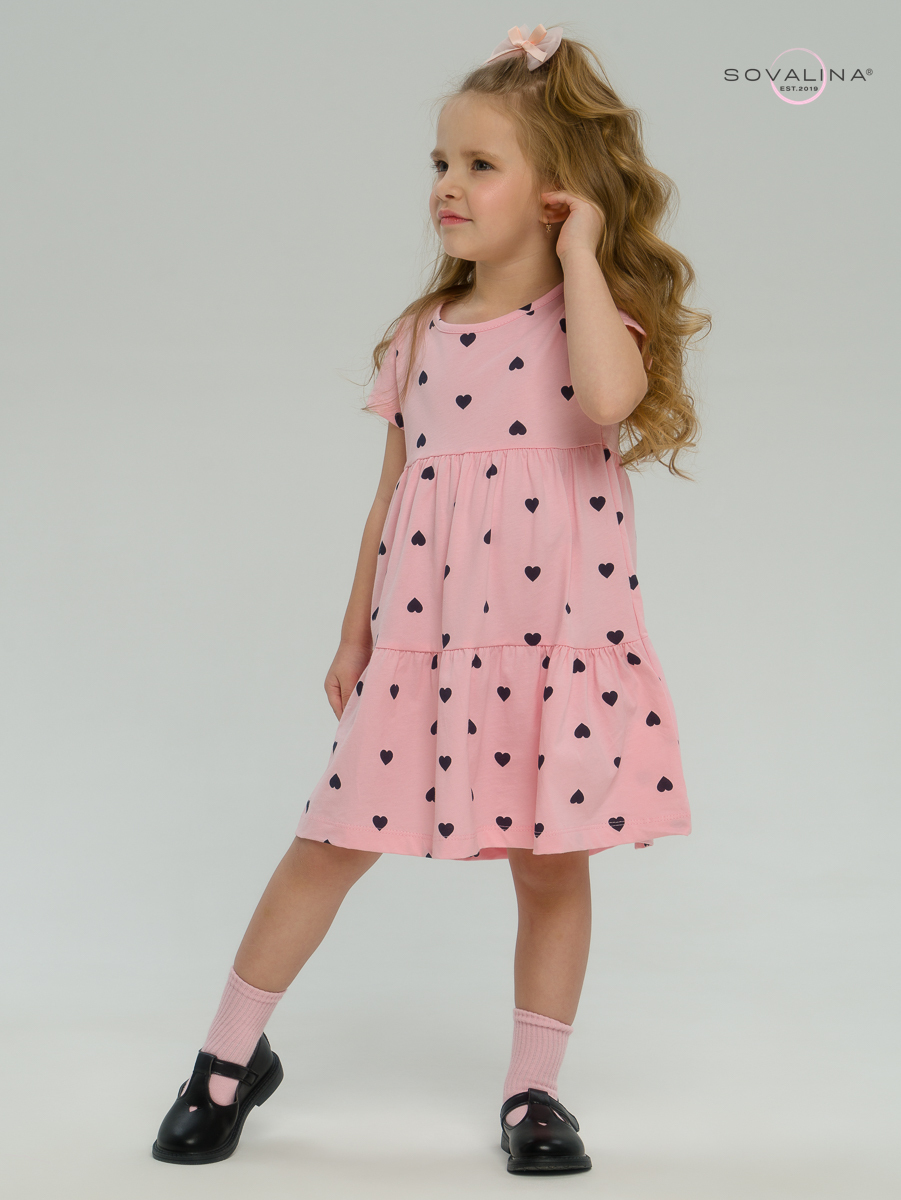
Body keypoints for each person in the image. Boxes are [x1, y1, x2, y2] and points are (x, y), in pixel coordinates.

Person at [151, 22, 707, 1176]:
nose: (447, 185)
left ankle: (533, 1093)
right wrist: (352, 628)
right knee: (328, 841)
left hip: (552, 646)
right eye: (440, 163)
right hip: (425, 646)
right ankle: (225, 1059)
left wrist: (586, 253)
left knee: (550, 865)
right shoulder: (418, 338)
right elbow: (391, 494)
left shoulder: (587, 323)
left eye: (480, 164)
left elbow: (608, 401)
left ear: (556, 193)